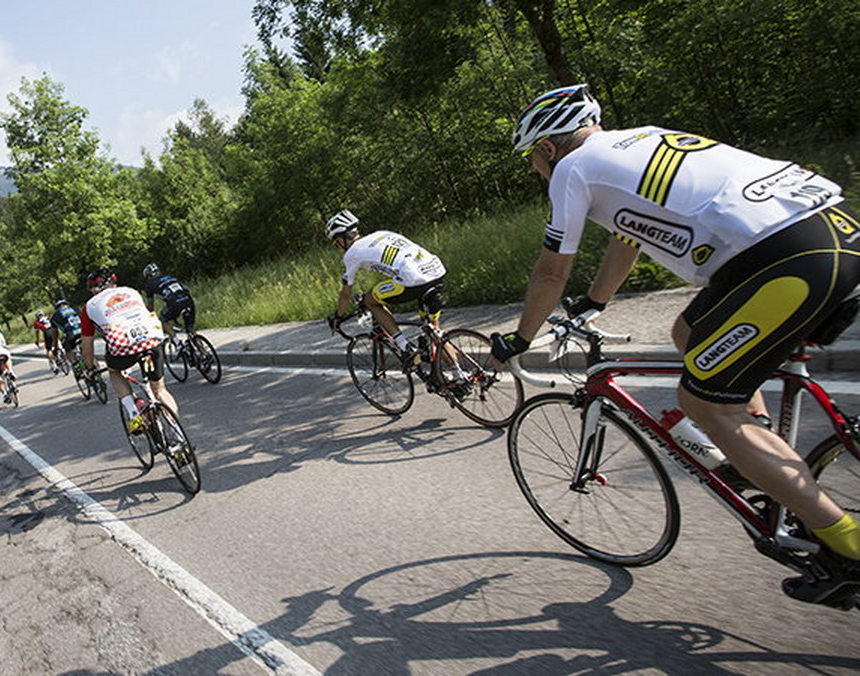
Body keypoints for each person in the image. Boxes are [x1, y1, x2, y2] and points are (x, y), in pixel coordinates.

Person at [489, 83, 860, 607]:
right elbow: (628, 235)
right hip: (829, 233)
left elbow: (551, 272)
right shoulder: (642, 139)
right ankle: (752, 453)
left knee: (703, 403)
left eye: (533, 157)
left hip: (784, 263)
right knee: (688, 333)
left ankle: (846, 547)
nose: (533, 169)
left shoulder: (572, 170)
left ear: (549, 147)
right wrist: (596, 300)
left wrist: (519, 337)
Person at [323, 209, 449, 358]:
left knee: (370, 301)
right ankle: (458, 374)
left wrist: (338, 317)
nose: (338, 247)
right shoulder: (381, 234)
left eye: (336, 243)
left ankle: (405, 346)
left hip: (413, 278)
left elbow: (346, 294)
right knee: (435, 333)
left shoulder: (351, 254)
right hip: (436, 270)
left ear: (341, 239)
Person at [79, 268, 178, 433]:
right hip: (152, 337)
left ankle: (134, 415)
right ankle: (178, 435)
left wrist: (89, 368)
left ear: (93, 289)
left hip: (123, 344)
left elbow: (87, 346)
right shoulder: (130, 291)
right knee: (160, 390)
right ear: (113, 282)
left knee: (115, 371)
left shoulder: (89, 306)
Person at [142, 263, 197, 342]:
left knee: (162, 320)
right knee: (191, 329)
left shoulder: (149, 285)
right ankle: (204, 352)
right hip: (188, 300)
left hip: (175, 303)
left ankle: (177, 342)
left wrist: (147, 315)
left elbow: (150, 307)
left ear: (148, 276)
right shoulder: (170, 277)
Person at [51, 299, 83, 373]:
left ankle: (77, 366)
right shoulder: (75, 309)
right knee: (86, 349)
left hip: (71, 334)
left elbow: (55, 335)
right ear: (67, 305)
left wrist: (55, 348)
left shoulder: (55, 316)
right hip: (83, 332)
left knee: (68, 350)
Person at [32, 309, 62, 374]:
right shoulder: (49, 318)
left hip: (47, 333)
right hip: (54, 331)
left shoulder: (37, 322)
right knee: (57, 341)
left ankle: (54, 365)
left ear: (37, 317)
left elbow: (37, 332)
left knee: (49, 350)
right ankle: (59, 353)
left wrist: (38, 340)